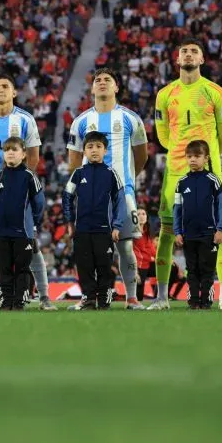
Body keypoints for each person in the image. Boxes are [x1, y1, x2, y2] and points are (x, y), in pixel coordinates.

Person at [153, 39, 222, 310]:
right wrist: (180, 154)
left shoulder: (216, 92)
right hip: (176, 172)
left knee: (219, 231)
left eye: (194, 51)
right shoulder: (164, 94)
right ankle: (162, 297)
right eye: (184, 51)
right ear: (177, 59)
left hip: (209, 172)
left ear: (202, 59)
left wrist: (209, 154)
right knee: (167, 232)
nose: (188, 55)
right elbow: (163, 136)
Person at [0, 75, 53, 310]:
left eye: (6, 86)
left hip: (19, 195)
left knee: (30, 243)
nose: (1, 90)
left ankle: (45, 297)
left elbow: (34, 156)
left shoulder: (26, 119)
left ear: (14, 92)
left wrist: (19, 184)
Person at [67, 68, 148, 310]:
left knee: (125, 247)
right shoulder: (80, 121)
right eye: (98, 80)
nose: (102, 83)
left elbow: (141, 156)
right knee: (87, 251)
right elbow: (73, 161)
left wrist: (127, 182)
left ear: (116, 87)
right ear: (92, 89)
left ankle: (132, 298)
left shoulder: (130, 118)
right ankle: (90, 297)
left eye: (107, 80)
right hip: (90, 196)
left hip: (123, 193)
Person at [63, 132, 126, 310]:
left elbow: (120, 201)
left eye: (98, 147)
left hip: (104, 230)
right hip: (81, 230)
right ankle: (88, 299)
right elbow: (67, 196)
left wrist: (117, 226)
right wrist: (70, 222)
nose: (94, 150)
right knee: (85, 267)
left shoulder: (111, 174)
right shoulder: (78, 173)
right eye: (90, 147)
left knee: (104, 266)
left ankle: (104, 299)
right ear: (84, 151)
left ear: (105, 150)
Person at [0, 137, 46, 311]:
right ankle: (7, 301)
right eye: (7, 150)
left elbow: (39, 203)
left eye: (14, 149)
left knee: (22, 268)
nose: (10, 153)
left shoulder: (29, 176)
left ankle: (19, 301)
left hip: (22, 231)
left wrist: (32, 222)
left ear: (24, 154)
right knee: (3, 268)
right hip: (0, 231)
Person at [172, 140, 222, 310]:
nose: (192, 160)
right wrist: (177, 232)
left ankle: (206, 301)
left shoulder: (213, 180)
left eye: (197, 156)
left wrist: (220, 229)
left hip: (209, 234)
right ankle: (193, 300)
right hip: (189, 234)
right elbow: (177, 210)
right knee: (192, 269)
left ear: (206, 158)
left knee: (207, 269)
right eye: (189, 156)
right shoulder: (181, 183)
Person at [133, 209, 156, 299]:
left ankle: (163, 297)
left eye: (144, 214)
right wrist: (135, 270)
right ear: (134, 217)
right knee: (139, 294)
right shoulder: (132, 233)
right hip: (137, 265)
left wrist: (167, 260)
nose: (141, 216)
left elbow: (152, 250)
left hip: (147, 264)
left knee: (172, 269)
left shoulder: (147, 232)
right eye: (138, 214)